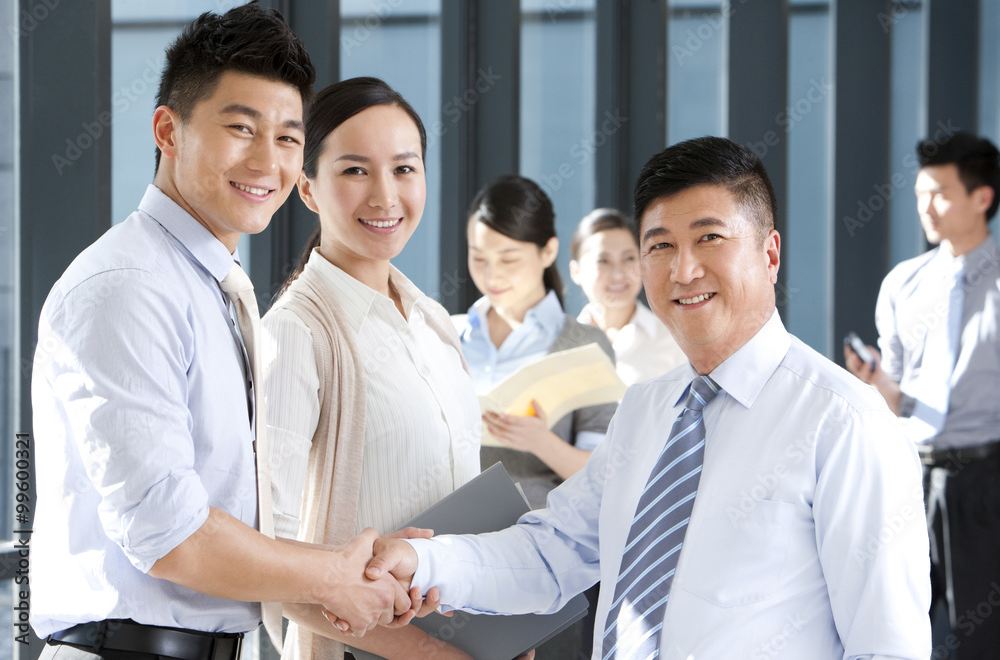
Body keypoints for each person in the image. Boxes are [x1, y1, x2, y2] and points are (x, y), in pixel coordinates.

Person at [369, 136, 933, 659]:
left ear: (770, 253)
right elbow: (552, 552)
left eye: (710, 238)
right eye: (660, 245)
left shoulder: (845, 423)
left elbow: (888, 646)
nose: (684, 269)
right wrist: (422, 560)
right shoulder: (646, 409)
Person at [30, 5, 417, 660]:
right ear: (168, 131)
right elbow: (171, 535)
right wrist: (332, 574)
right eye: (242, 128)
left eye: (289, 138)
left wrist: (359, 572)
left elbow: (228, 524)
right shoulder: (129, 285)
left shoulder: (211, 287)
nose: (268, 160)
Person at [260, 77, 480, 660]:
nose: (385, 196)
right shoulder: (296, 331)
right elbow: (265, 554)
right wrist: (432, 656)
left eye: (404, 169)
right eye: (355, 171)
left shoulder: (433, 320)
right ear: (307, 188)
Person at [844, 132, 1000, 658]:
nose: (925, 207)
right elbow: (898, 397)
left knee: (982, 638)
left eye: (940, 193)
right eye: (919, 193)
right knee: (898, 632)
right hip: (912, 478)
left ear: (982, 198)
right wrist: (874, 383)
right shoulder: (902, 284)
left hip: (988, 481)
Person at [458, 175, 617, 511]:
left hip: (534, 536)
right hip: (442, 535)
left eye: (508, 259)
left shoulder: (584, 346)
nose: (491, 275)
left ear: (548, 251)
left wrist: (540, 442)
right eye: (479, 258)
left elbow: (602, 476)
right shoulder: (447, 334)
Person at [569, 208, 686, 384]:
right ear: (576, 271)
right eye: (603, 261)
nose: (618, 275)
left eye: (629, 258)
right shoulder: (563, 345)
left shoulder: (674, 342)